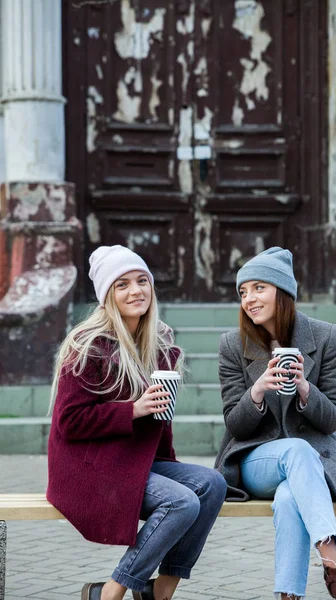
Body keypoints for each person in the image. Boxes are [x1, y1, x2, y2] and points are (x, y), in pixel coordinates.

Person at [47, 245, 227, 600]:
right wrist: (133, 410)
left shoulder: (158, 343)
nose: (135, 291)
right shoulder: (88, 346)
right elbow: (69, 422)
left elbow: (161, 419)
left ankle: (160, 591)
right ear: (107, 296)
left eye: (142, 281)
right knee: (181, 502)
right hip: (90, 466)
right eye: (122, 284)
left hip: (133, 459)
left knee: (211, 484)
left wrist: (168, 462)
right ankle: (111, 592)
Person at [214, 247, 336, 600]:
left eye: (259, 288)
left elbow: (334, 416)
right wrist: (258, 390)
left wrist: (305, 388)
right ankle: (335, 564)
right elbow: (235, 423)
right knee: (295, 449)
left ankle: (288, 596)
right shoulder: (233, 344)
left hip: (311, 465)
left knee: (291, 498)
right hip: (254, 460)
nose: (249, 299)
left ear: (283, 291)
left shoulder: (325, 336)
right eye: (243, 292)